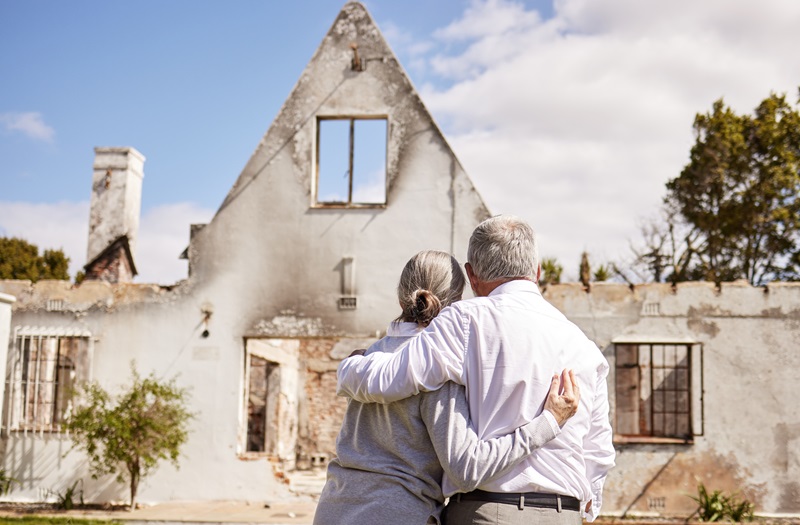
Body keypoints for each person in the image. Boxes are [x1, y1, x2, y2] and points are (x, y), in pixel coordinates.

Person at [338, 216, 616, 524]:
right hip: (566, 513)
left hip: (487, 510)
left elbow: (384, 381)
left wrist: (353, 365)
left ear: (472, 275)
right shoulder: (586, 347)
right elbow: (599, 452)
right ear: (537, 272)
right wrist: (582, 510)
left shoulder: (464, 321)